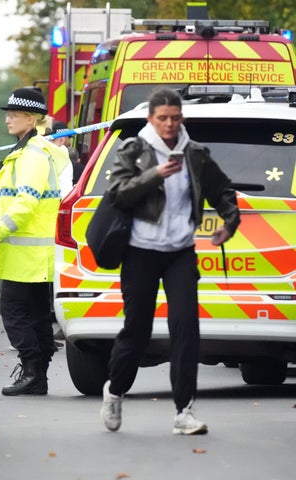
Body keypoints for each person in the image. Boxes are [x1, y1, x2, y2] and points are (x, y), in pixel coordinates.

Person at [99, 88, 240, 435]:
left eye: (175, 118)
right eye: (162, 118)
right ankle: (115, 390)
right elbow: (117, 192)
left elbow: (222, 191)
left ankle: (184, 412)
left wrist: (229, 223)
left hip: (179, 252)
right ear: (151, 119)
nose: (169, 124)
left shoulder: (195, 154)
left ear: (182, 119)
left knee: (185, 328)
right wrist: (154, 175)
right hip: (140, 252)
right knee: (138, 330)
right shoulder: (134, 149)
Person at [0, 87, 72, 396]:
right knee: (35, 315)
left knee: (15, 313)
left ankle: (33, 369)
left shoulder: (32, 155)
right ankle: (37, 376)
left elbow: (26, 201)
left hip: (26, 254)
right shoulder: (29, 150)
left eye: (13, 114)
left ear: (30, 119)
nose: (8, 119)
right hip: (34, 253)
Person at [44, 118, 83, 184]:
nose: (69, 143)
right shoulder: (70, 164)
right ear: (61, 139)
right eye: (68, 138)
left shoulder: (40, 156)